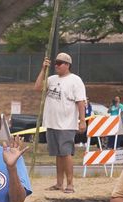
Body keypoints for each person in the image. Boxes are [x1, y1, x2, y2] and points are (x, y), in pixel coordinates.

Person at [34, 52, 86, 194]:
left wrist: (82, 120)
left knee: (66, 153)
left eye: (60, 63)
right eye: (55, 63)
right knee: (58, 154)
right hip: (52, 122)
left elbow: (81, 101)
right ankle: (58, 183)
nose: (56, 65)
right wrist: (43, 69)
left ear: (67, 65)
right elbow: (37, 88)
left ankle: (70, 184)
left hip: (66, 123)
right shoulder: (51, 79)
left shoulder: (75, 80)